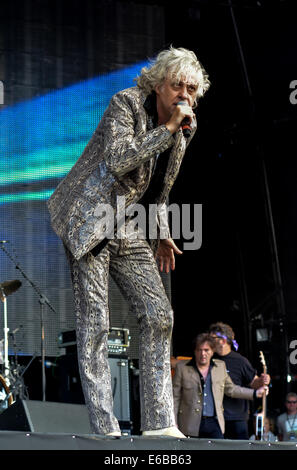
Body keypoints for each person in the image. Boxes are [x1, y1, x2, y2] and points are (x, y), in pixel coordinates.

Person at [47, 46, 210, 437]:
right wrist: (168, 129)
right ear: (158, 85)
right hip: (87, 216)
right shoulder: (126, 104)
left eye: (191, 88)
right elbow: (121, 159)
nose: (183, 95)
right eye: (176, 86)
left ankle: (158, 423)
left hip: (126, 220)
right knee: (96, 324)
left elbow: (161, 186)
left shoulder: (186, 127)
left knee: (160, 316)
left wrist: (163, 231)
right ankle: (105, 428)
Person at [172, 333, 267, 438]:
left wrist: (254, 393)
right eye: (199, 350)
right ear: (195, 351)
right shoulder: (182, 368)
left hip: (214, 423)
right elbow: (175, 398)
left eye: (206, 350)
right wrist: (173, 422)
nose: (203, 354)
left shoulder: (220, 367)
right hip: (189, 424)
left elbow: (231, 389)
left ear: (212, 351)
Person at [208, 322, 270, 439]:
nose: (209, 342)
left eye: (212, 338)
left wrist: (262, 380)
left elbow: (253, 383)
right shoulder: (209, 359)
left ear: (223, 340)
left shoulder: (240, 361)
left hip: (236, 418)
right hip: (214, 417)